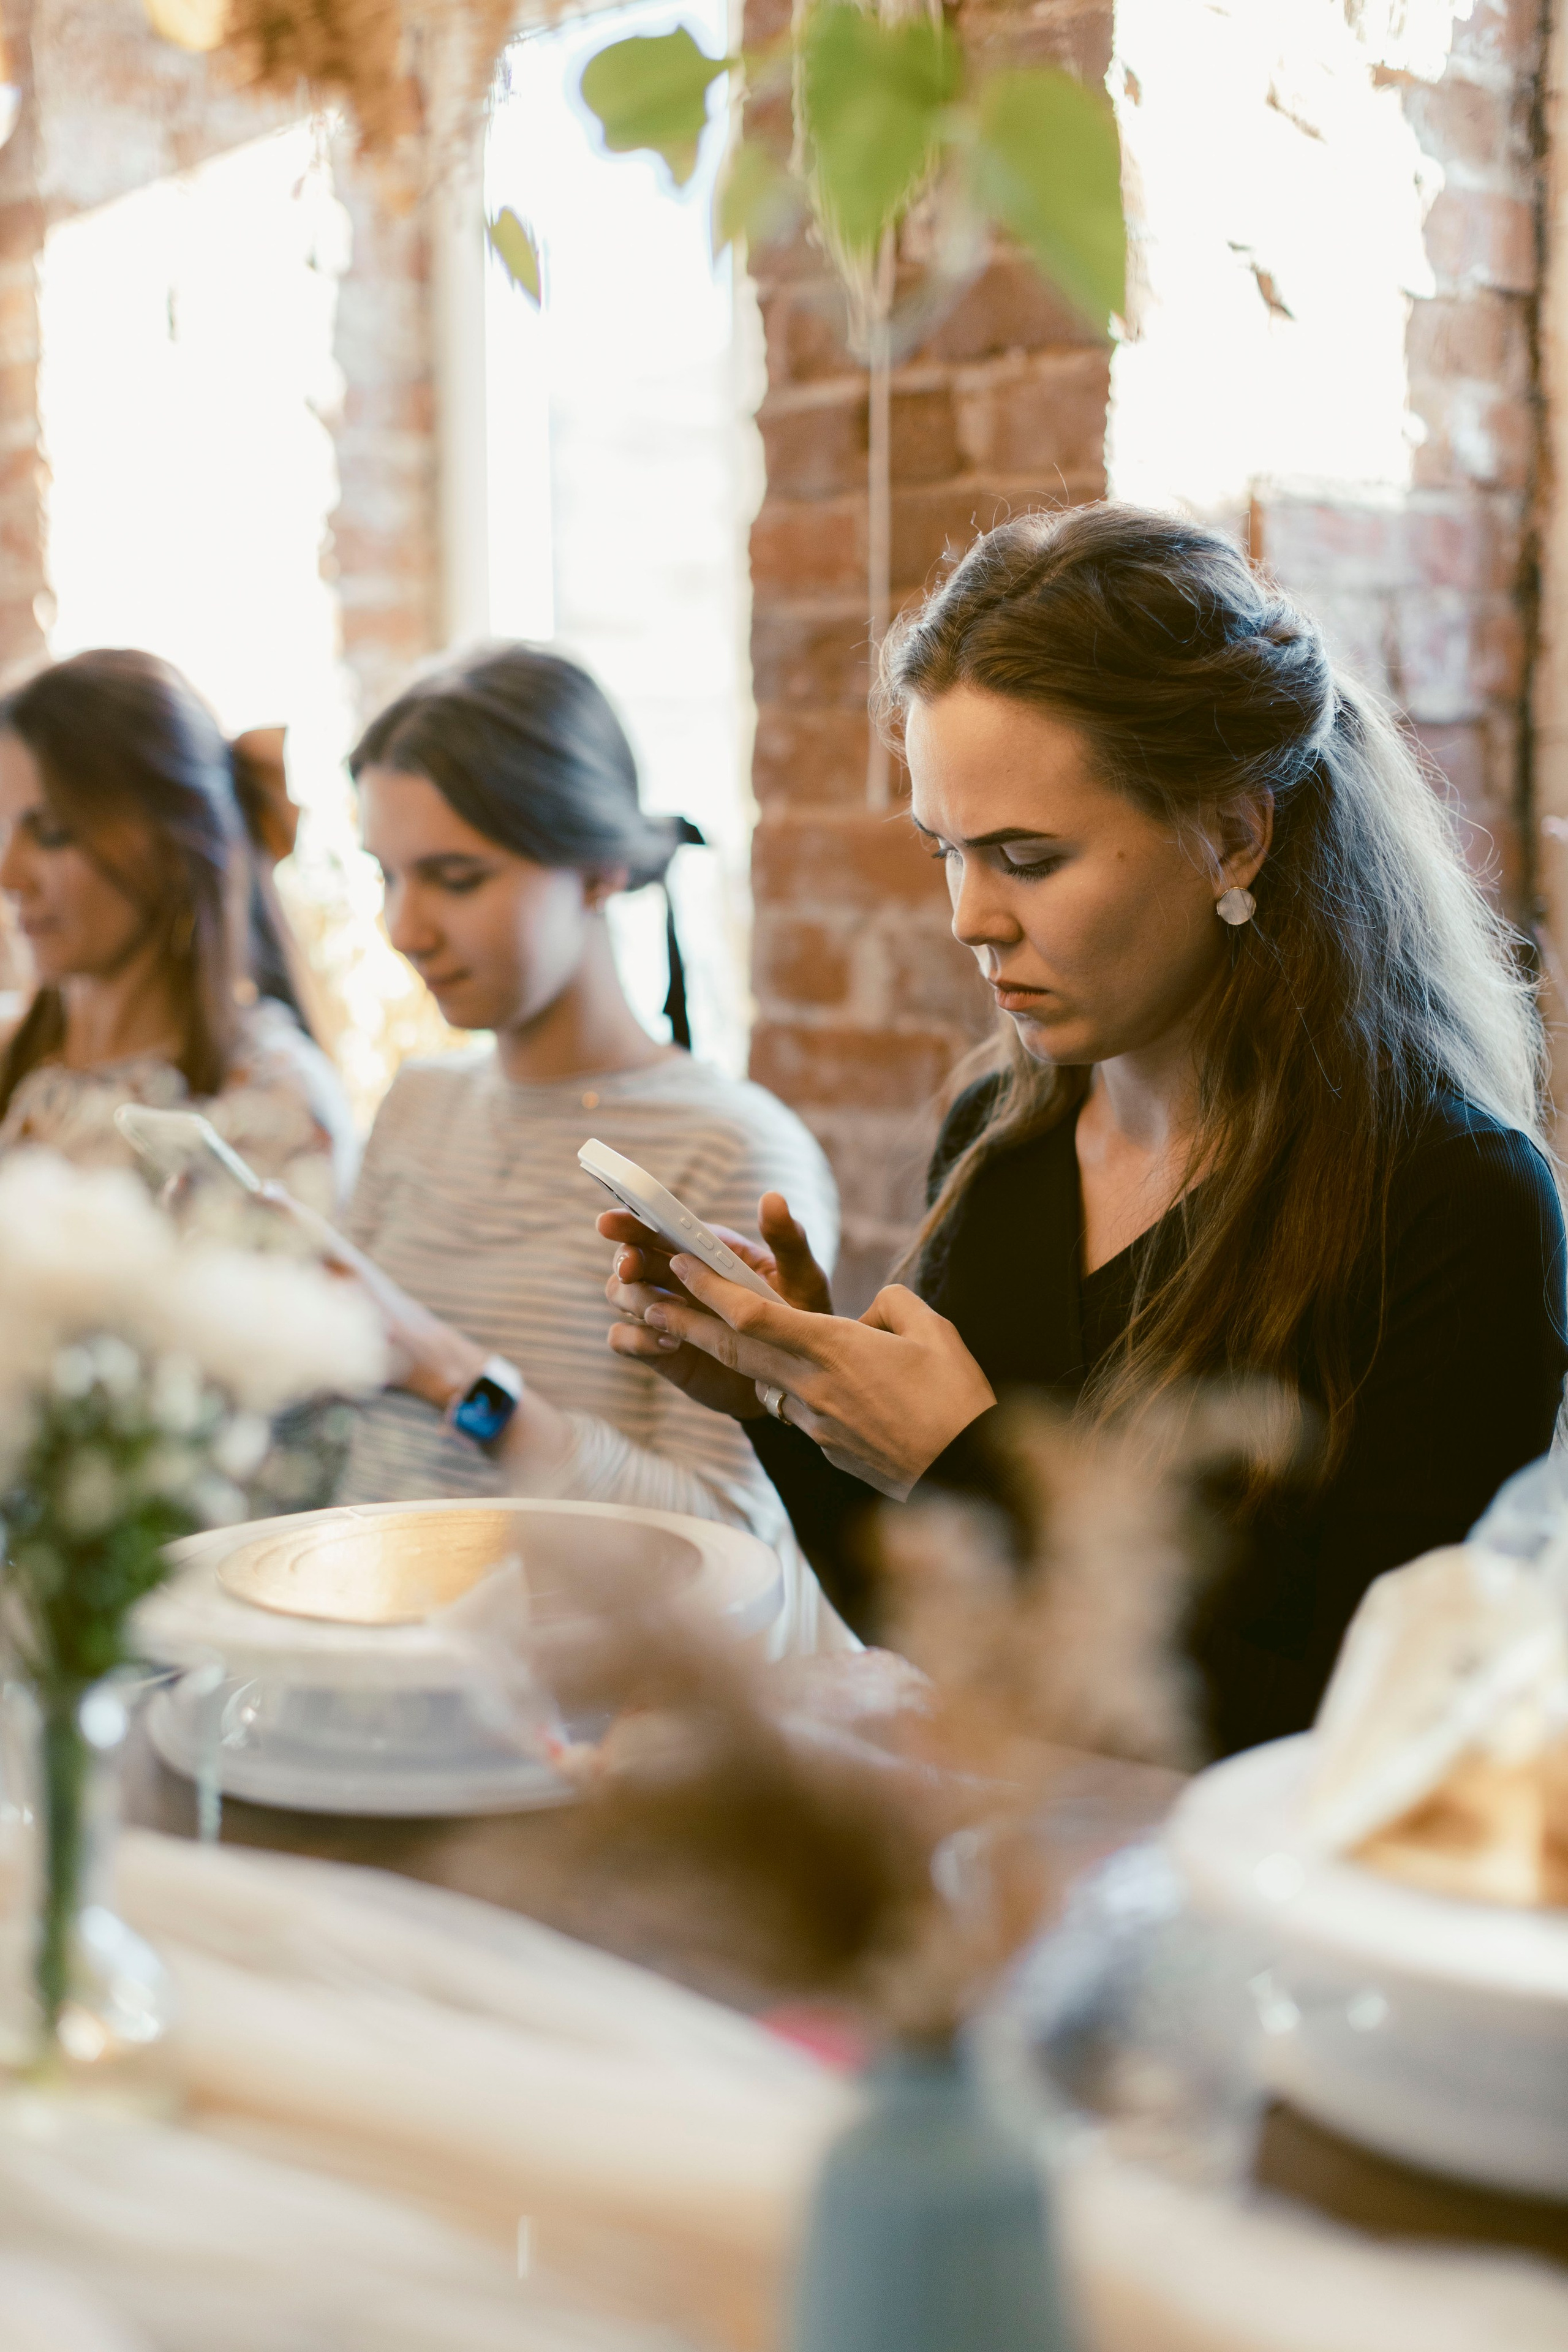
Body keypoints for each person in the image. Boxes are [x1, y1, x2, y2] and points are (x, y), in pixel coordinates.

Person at [602, 504, 1568, 1755]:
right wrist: (783, 1406)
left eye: (1025, 856)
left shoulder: (1452, 1203)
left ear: (1229, 835)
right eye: (945, 850)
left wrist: (961, 1459)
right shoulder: (1000, 1147)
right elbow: (946, 1631)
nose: (968, 918)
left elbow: (1382, 1742)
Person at [326, 644, 842, 1648]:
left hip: (580, 1726)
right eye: (386, 876)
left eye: (456, 878)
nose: (402, 926)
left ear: (601, 869)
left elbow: (734, 1555)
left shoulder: (729, 1149)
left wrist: (458, 1380)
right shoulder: (417, 1104)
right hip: (365, 1670)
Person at [0, 649, 355, 1207]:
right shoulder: (12, 1065)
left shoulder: (268, 1106)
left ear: (172, 845)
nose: (9, 876)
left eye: (51, 833)